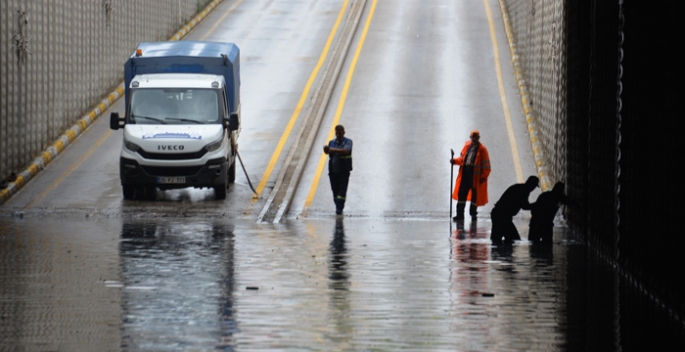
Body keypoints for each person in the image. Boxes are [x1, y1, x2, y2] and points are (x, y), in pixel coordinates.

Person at [450, 130, 491, 221]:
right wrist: (455, 161)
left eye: (476, 137)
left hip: (475, 177)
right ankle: (460, 214)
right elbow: (462, 159)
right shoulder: (467, 146)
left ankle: (473, 214)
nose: (474, 139)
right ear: (471, 138)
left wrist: (483, 177)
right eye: (473, 137)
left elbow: (486, 166)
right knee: (462, 194)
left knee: (474, 197)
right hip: (465, 174)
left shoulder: (482, 150)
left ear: (478, 138)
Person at [490, 175, 539, 244]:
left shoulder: (520, 187)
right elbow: (524, 206)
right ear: (531, 184)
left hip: (499, 214)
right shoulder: (524, 190)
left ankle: (499, 253)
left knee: (496, 239)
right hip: (502, 216)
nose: (533, 188)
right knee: (513, 239)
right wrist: (538, 205)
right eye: (534, 186)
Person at [323, 125, 353, 215]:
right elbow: (328, 152)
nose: (338, 134)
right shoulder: (331, 142)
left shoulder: (348, 142)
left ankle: (339, 208)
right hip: (333, 171)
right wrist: (326, 149)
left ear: (344, 132)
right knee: (335, 190)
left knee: (342, 190)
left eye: (340, 132)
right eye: (337, 132)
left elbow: (346, 151)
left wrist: (333, 150)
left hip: (344, 171)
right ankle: (338, 205)